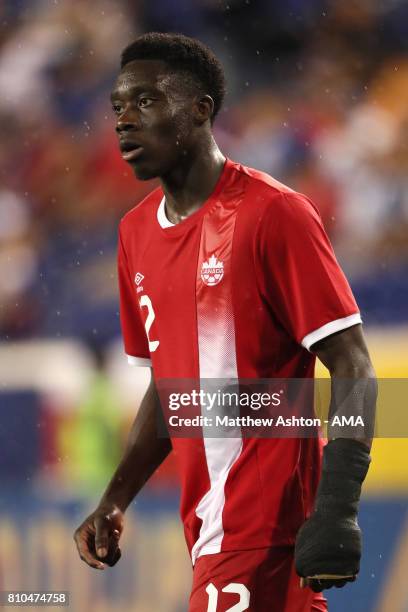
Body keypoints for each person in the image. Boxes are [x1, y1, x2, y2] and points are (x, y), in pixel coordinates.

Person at [74, 33, 376, 611]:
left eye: (145, 102)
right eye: (117, 107)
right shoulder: (134, 234)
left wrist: (338, 505)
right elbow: (171, 390)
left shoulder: (274, 213)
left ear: (200, 108)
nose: (124, 122)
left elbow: (352, 362)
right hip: (208, 531)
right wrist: (114, 500)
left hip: (264, 525)